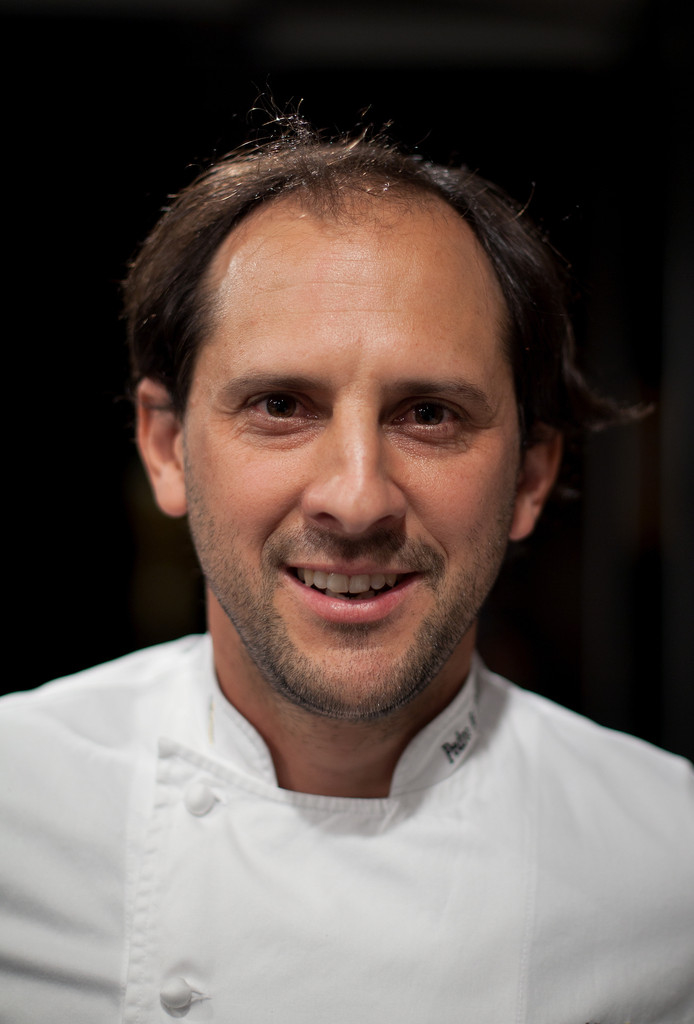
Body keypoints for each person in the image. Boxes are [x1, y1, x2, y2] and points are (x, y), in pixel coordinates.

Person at [1, 119, 692, 1024]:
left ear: (530, 479)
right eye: (280, 405)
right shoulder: (16, 805)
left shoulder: (670, 864)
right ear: (167, 449)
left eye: (430, 414)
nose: (357, 499)